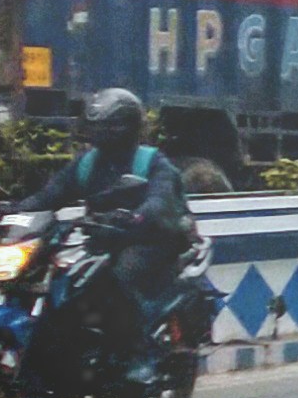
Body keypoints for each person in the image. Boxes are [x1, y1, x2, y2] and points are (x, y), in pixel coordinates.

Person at [25, 87, 194, 382]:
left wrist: (140, 215)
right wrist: (16, 209)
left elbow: (161, 198)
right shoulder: (89, 163)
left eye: (107, 126)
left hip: (152, 241)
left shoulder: (152, 162)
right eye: (96, 126)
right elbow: (53, 193)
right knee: (67, 279)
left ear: (125, 127)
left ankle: (137, 354)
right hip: (104, 238)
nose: (99, 133)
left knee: (120, 277)